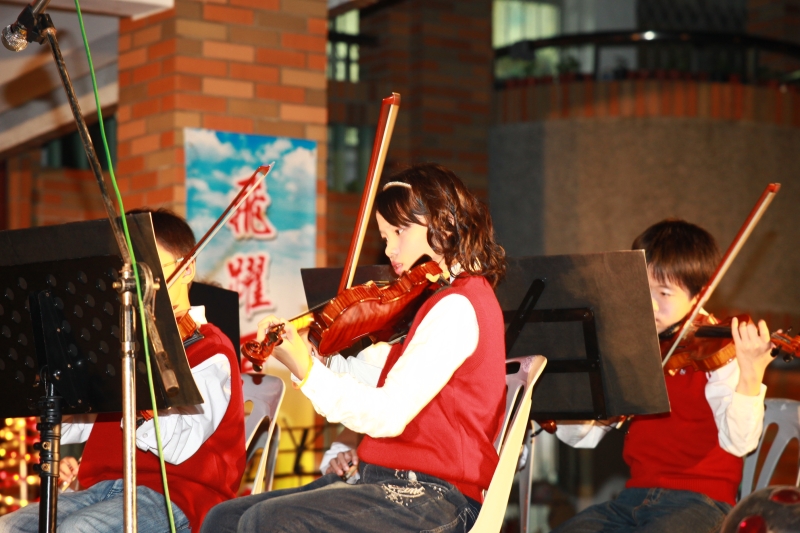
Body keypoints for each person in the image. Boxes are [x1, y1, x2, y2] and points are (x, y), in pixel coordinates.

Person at [202, 163, 508, 533]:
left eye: (399, 231)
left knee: (265, 522)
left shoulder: (458, 305)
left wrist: (308, 373)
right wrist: (309, 357)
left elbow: (389, 413)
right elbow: (372, 376)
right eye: (384, 236)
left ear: (443, 224)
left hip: (437, 497)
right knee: (224, 519)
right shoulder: (436, 299)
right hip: (386, 479)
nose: (390, 249)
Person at [0, 209, 246, 533]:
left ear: (187, 268)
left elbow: (179, 445)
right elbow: (80, 423)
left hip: (175, 497)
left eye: (146, 269)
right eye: (126, 272)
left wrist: (139, 380)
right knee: (9, 527)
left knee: (78, 530)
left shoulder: (211, 351)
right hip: (100, 489)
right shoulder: (120, 342)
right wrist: (65, 394)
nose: (133, 284)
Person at [552, 219, 775, 533]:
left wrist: (751, 373)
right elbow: (580, 438)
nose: (650, 305)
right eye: (641, 290)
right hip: (632, 499)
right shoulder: (633, 346)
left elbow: (740, 443)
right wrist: (583, 397)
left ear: (699, 296)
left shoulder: (718, 352)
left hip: (702, 502)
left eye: (665, 293)